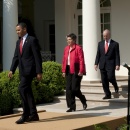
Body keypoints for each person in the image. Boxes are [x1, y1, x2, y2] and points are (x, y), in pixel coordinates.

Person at [8, 22, 42, 124]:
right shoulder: (18, 42)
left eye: (18, 30)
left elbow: (37, 57)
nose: (17, 32)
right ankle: (34, 114)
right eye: (16, 31)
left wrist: (39, 72)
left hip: (30, 70)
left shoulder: (32, 40)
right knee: (27, 91)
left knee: (21, 88)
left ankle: (25, 114)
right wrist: (11, 70)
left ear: (24, 29)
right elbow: (16, 57)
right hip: (22, 71)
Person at [62, 33, 87, 112]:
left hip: (76, 70)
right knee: (68, 89)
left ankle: (83, 99)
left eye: (69, 39)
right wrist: (63, 71)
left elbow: (81, 60)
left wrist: (81, 71)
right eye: (67, 39)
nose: (68, 41)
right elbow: (64, 60)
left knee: (75, 89)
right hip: (68, 69)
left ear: (74, 40)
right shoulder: (66, 49)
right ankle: (71, 106)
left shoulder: (78, 48)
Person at [94, 29, 120, 99]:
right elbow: (98, 54)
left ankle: (115, 85)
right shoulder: (100, 43)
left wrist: (117, 64)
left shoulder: (115, 44)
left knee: (110, 77)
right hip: (102, 64)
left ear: (109, 35)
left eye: (106, 36)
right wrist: (96, 63)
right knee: (104, 80)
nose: (105, 37)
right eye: (104, 36)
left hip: (111, 64)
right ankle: (107, 94)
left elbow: (117, 55)